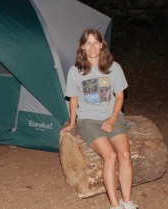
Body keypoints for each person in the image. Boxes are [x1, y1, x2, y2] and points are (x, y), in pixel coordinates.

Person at [60, 28, 138, 209]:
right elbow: (73, 98)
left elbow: (120, 97)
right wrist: (72, 122)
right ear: (82, 47)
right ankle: (114, 205)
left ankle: (128, 202)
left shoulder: (114, 68)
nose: (92, 46)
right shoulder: (75, 71)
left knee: (125, 155)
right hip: (88, 120)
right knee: (109, 156)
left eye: (96, 42)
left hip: (113, 117)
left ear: (102, 44)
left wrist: (112, 119)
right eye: (88, 43)